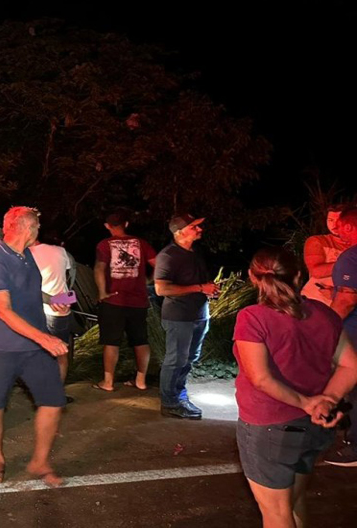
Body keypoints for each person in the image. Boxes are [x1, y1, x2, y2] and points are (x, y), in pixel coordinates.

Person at [233, 247, 357, 527]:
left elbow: (261, 379)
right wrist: (326, 400)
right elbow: (351, 365)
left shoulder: (252, 318)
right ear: (299, 276)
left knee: (276, 513)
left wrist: (306, 402)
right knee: (294, 502)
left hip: (269, 428)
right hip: (314, 427)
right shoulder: (324, 314)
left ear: (253, 278)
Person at [0, 207, 69, 486]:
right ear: (27, 228)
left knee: (53, 401)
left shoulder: (26, 255)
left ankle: (39, 462)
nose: (39, 231)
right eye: (37, 227)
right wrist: (45, 338)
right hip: (3, 346)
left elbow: (26, 291)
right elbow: (3, 310)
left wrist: (52, 298)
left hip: (33, 345)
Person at [154, 213, 218, 420]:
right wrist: (200, 287)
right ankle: (170, 402)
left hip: (199, 314)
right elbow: (161, 289)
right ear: (179, 232)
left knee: (190, 358)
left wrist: (208, 290)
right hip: (179, 317)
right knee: (176, 359)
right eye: (194, 227)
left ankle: (179, 394)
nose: (200, 229)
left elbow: (198, 283)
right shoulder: (168, 255)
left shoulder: (195, 253)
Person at [93, 209, 157, 391]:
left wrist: (102, 292)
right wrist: (147, 280)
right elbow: (159, 264)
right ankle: (141, 381)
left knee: (111, 341)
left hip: (114, 300)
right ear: (126, 224)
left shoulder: (104, 244)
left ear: (107, 226)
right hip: (138, 300)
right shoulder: (142, 243)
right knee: (140, 340)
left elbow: (99, 269)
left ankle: (108, 382)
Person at [326, 207, 357, 466]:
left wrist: (324, 326)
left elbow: (346, 300)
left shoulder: (350, 257)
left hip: (354, 333)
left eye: (340, 227)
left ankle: (354, 447)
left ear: (349, 227)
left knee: (354, 388)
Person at [29, 236, 75, 384]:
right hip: (60, 309)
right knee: (61, 353)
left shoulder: (23, 255)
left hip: (36, 309)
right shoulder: (61, 252)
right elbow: (71, 272)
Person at [301, 204, 351, 306]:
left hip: (346, 305)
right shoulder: (318, 241)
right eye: (330, 220)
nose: (334, 225)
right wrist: (349, 263)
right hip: (316, 300)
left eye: (339, 220)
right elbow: (316, 271)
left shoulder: (353, 245)